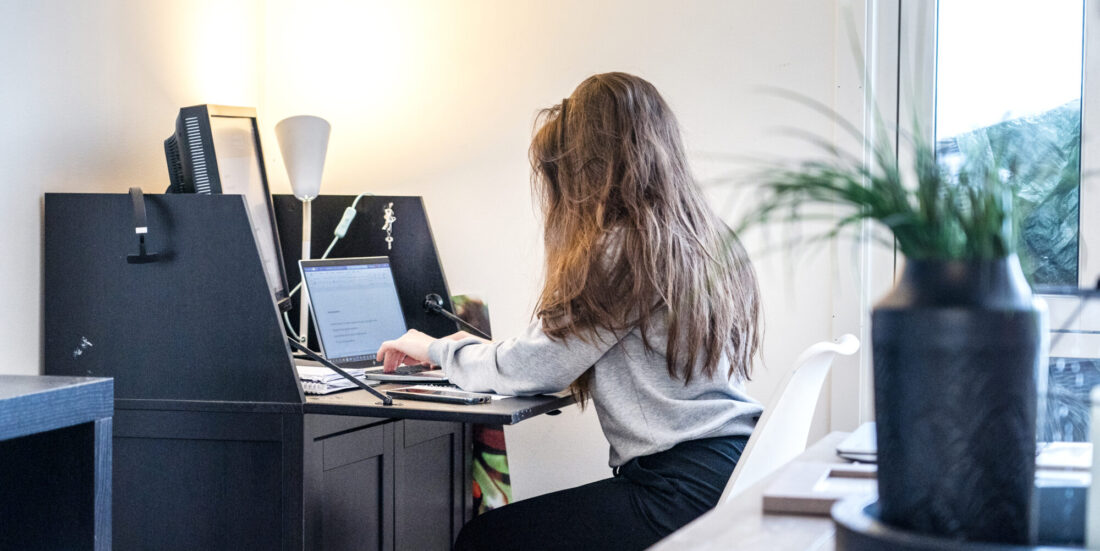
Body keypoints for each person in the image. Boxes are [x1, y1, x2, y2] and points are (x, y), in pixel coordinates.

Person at [376, 72, 763, 550]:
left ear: (591, 166)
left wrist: (434, 348)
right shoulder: (701, 235)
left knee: (486, 541)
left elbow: (538, 366)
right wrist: (481, 349)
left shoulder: (624, 248)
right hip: (731, 467)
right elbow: (555, 354)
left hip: (676, 488)